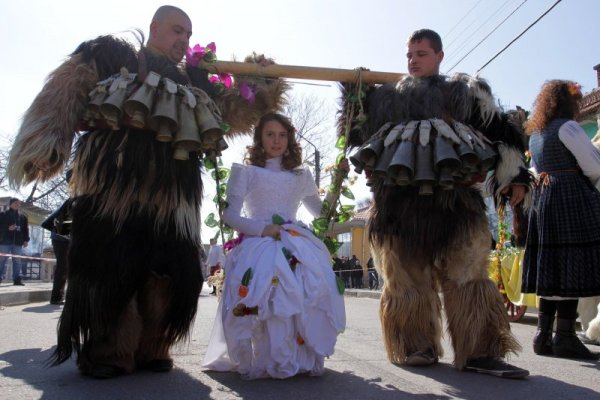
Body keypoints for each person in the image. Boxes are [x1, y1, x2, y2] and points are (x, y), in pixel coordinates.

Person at [7, 5, 286, 378]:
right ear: (154, 27)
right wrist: (46, 140)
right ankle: (109, 347)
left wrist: (260, 86)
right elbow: (67, 88)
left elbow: (229, 115)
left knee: (168, 271)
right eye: (176, 31)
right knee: (110, 265)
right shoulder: (113, 56)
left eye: (188, 34)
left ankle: (153, 344)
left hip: (174, 195)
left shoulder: (197, 81)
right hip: (114, 189)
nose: (183, 40)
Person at [343, 29, 531, 378]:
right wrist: (354, 94)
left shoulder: (464, 92)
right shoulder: (387, 98)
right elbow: (357, 134)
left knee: (467, 275)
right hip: (400, 207)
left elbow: (501, 132)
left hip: (456, 205)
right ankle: (416, 345)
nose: (413, 60)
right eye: (409, 54)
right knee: (407, 277)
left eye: (421, 53)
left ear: (439, 56)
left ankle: (480, 352)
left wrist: (515, 177)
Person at [202, 113, 346, 379]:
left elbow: (320, 213)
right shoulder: (245, 172)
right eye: (270, 134)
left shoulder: (301, 175)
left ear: (290, 139)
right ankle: (265, 356)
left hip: (294, 240)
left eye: (282, 135)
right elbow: (230, 216)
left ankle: (296, 356)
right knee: (265, 294)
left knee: (308, 287)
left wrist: (337, 183)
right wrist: (263, 229)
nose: (276, 141)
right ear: (259, 138)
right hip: (258, 243)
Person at [521, 80, 600, 360]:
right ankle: (565, 337)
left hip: (543, 199)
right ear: (569, 103)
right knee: (571, 263)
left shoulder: (536, 135)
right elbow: (594, 166)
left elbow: (534, 170)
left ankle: (543, 335)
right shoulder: (568, 127)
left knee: (551, 264)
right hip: (569, 196)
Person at [0, 198, 30, 286]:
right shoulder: (3, 214)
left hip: (18, 242)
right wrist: (7, 228)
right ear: (10, 204)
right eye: (15, 203)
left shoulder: (23, 217)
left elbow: (26, 229)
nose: (17, 204)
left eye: (19, 203)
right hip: (4, 242)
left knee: (17, 261)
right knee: (2, 260)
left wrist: (26, 240)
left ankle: (17, 279)